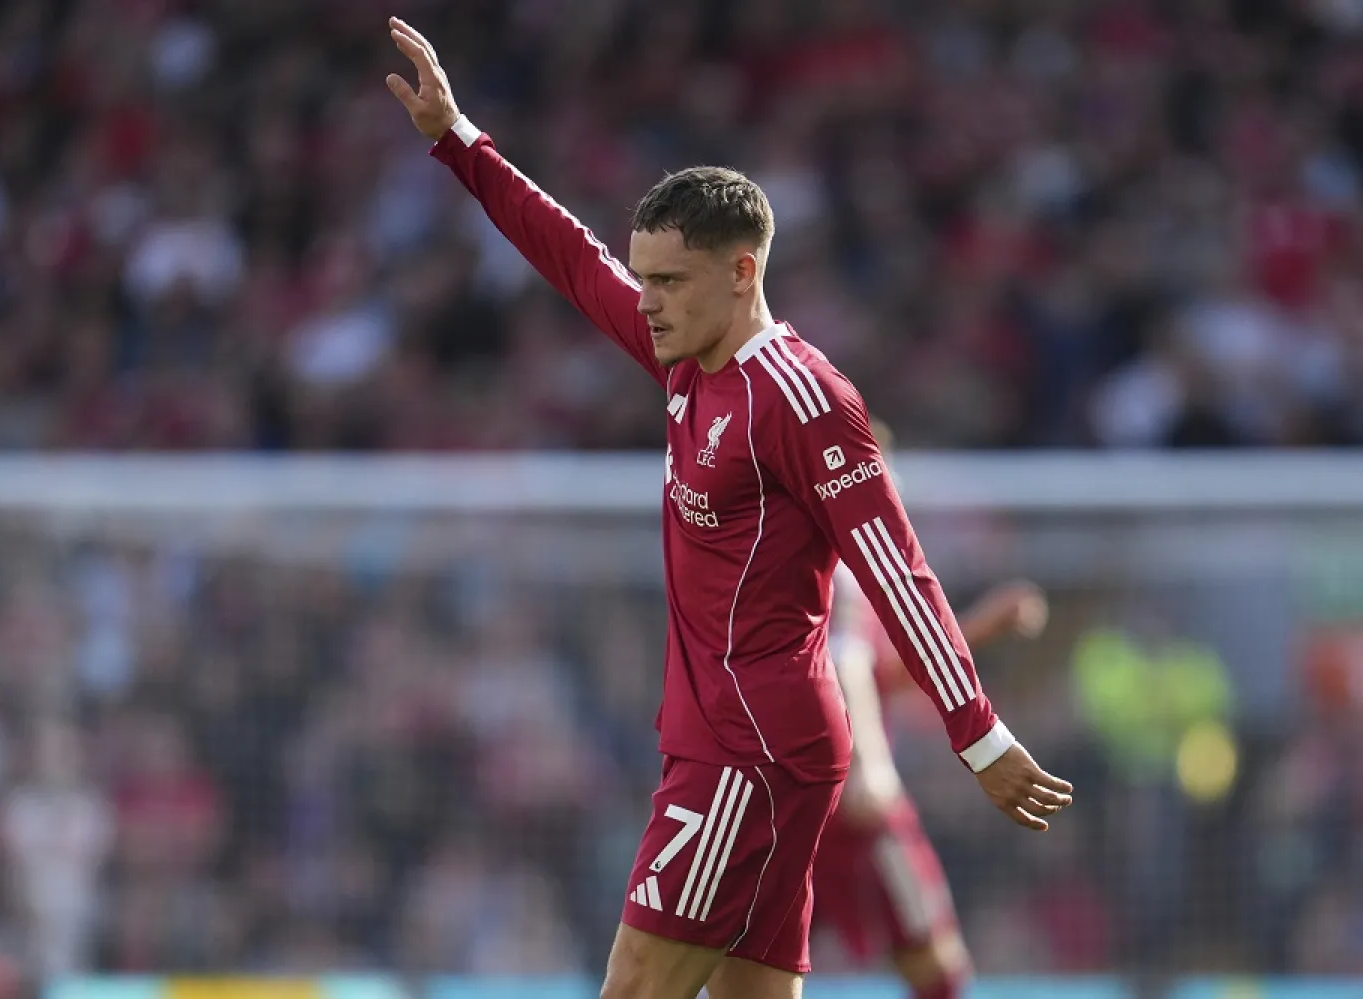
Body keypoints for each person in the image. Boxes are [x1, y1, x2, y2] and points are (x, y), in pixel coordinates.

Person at [386, 18, 1073, 999]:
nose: (649, 299)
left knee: (633, 991)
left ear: (741, 272)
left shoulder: (802, 401)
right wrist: (459, 142)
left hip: (748, 751)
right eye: (647, 276)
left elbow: (896, 570)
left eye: (669, 281)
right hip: (747, 739)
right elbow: (575, 261)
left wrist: (981, 737)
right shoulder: (685, 358)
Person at [817, 556, 1050, 998]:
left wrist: (982, 627)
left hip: (791, 793)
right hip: (847, 799)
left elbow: (876, 672)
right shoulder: (838, 572)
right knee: (935, 966)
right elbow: (844, 659)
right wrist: (868, 763)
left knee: (756, 959)